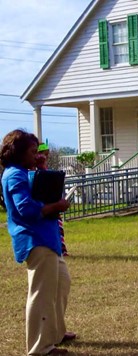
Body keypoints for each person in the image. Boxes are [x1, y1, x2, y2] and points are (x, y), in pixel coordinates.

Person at [0, 129, 75, 355]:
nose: (37, 155)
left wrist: (41, 168)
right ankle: (40, 347)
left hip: (46, 238)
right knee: (41, 293)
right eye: (33, 152)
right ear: (19, 152)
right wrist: (56, 207)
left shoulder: (24, 171)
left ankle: (55, 333)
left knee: (61, 283)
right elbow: (25, 208)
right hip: (35, 239)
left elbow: (46, 188)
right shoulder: (15, 174)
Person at [34, 142, 69, 257]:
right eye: (44, 154)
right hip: (44, 206)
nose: (46, 157)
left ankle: (62, 249)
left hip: (53, 204)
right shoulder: (35, 171)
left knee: (59, 227)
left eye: (47, 155)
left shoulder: (45, 169)